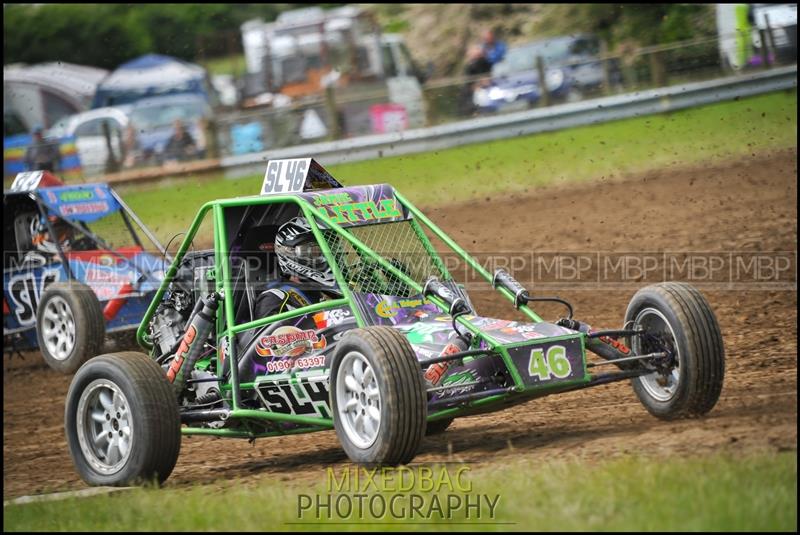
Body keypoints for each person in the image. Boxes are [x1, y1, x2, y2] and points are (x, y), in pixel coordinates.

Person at [253, 216, 339, 319]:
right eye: (315, 251)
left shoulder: (328, 292)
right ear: (291, 254)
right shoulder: (276, 297)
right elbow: (275, 334)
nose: (326, 256)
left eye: (331, 248)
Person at [460, 43, 493, 116]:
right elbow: (469, 82)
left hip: (482, 93)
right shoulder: (470, 65)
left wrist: (480, 84)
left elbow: (487, 78)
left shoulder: (484, 62)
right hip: (472, 94)